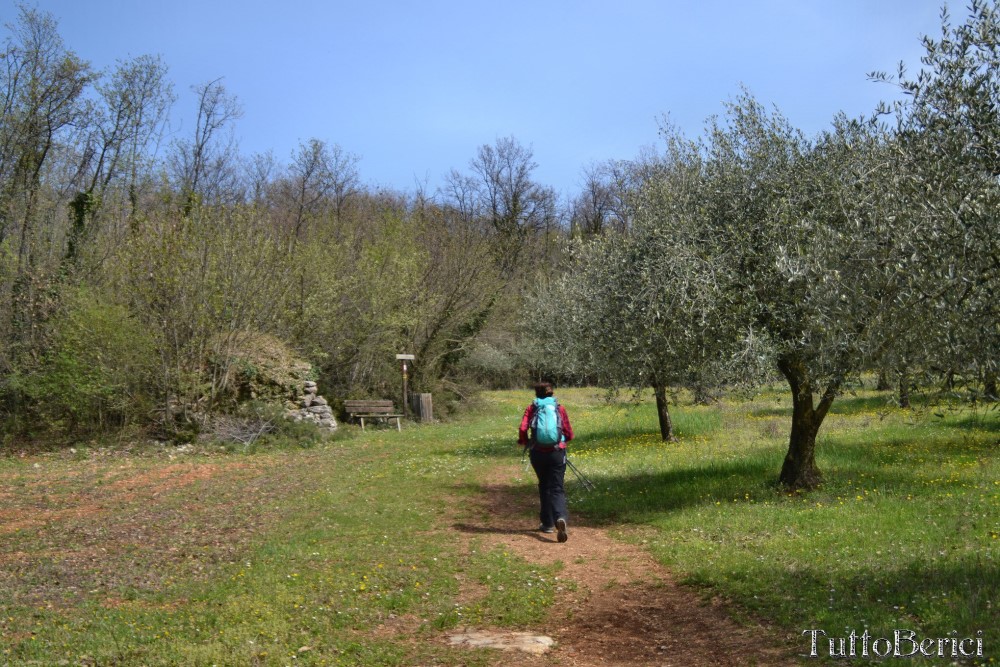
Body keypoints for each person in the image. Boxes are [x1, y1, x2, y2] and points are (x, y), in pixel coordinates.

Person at [518, 382, 574, 542]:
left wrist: (524, 441)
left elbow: (523, 428)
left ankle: (547, 523)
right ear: (552, 393)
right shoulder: (559, 408)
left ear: (536, 394)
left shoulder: (532, 408)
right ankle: (560, 517)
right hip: (557, 452)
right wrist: (565, 440)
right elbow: (568, 430)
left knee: (544, 485)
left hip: (537, 453)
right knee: (557, 487)